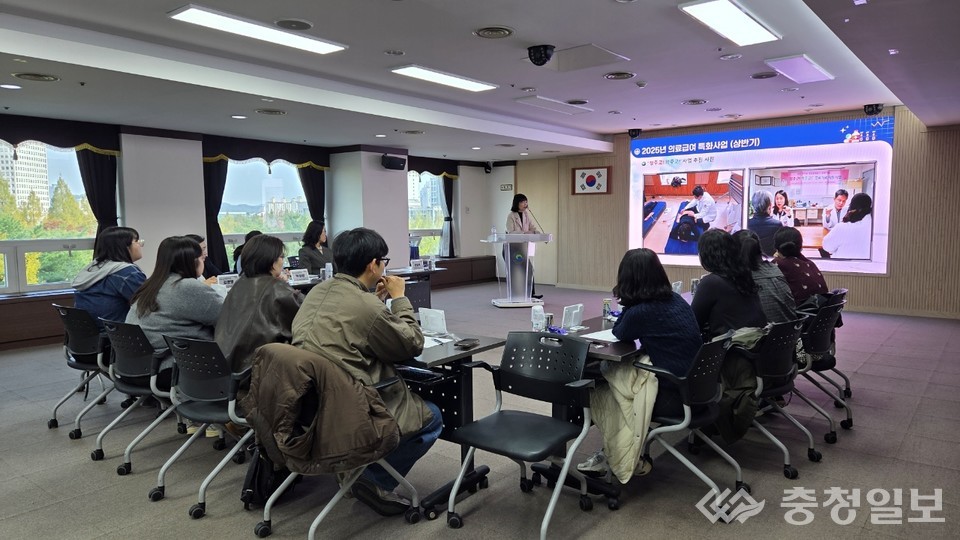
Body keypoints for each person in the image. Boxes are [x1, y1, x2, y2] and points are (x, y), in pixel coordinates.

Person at [291, 227, 441, 516]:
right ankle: (374, 481)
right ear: (374, 265)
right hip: (352, 404)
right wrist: (398, 299)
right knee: (432, 416)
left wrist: (376, 300)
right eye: (383, 260)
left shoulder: (317, 292)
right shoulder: (364, 304)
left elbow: (354, 329)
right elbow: (413, 343)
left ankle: (359, 467)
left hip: (312, 402)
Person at [577, 249, 702, 482]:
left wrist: (630, 302)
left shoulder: (642, 311)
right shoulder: (674, 299)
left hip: (673, 396)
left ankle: (615, 456)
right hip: (698, 387)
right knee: (616, 374)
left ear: (627, 279)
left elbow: (620, 332)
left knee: (602, 387)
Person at [692, 229, 767, 444]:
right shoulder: (743, 276)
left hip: (730, 357)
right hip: (754, 354)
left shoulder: (712, 282)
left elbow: (693, 323)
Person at [215, 235, 303, 373]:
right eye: (281, 257)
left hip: (225, 365)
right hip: (255, 370)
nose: (283, 261)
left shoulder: (239, 284)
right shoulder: (276, 289)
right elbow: (308, 314)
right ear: (272, 261)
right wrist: (284, 285)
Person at [126, 236, 224, 352]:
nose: (204, 261)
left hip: (142, 360)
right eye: (202, 258)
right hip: (174, 362)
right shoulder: (188, 287)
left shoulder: (151, 284)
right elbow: (227, 317)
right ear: (193, 262)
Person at [72, 226, 146, 327]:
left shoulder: (94, 267)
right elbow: (148, 304)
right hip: (116, 333)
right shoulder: (127, 273)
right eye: (137, 241)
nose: (140, 245)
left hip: (90, 332)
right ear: (124, 246)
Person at [733, 230, 796, 323]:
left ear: (731, 251)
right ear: (759, 249)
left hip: (759, 335)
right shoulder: (774, 269)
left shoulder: (736, 278)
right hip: (789, 334)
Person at [773, 227, 829, 306]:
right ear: (800, 245)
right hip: (821, 314)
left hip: (799, 315)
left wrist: (777, 259)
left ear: (776, 247)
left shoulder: (778, 264)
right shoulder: (809, 263)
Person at [505, 193, 542, 299]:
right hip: (512, 248)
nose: (525, 204)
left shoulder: (526, 214)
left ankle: (531, 294)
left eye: (526, 202)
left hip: (522, 247)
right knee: (517, 272)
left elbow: (532, 227)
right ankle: (517, 295)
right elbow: (510, 232)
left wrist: (537, 233)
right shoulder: (511, 215)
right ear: (517, 203)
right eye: (523, 202)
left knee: (529, 269)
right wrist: (524, 233)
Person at [821, 193, 873, 259]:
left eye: (844, 201)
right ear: (834, 199)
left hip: (843, 264)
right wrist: (828, 216)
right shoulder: (872, 225)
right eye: (839, 200)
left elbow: (827, 246)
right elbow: (826, 224)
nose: (841, 203)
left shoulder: (843, 225)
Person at [746, 189, 782, 257]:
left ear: (753, 205)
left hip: (753, 262)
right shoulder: (777, 225)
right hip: (772, 262)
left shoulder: (746, 224)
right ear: (770, 206)